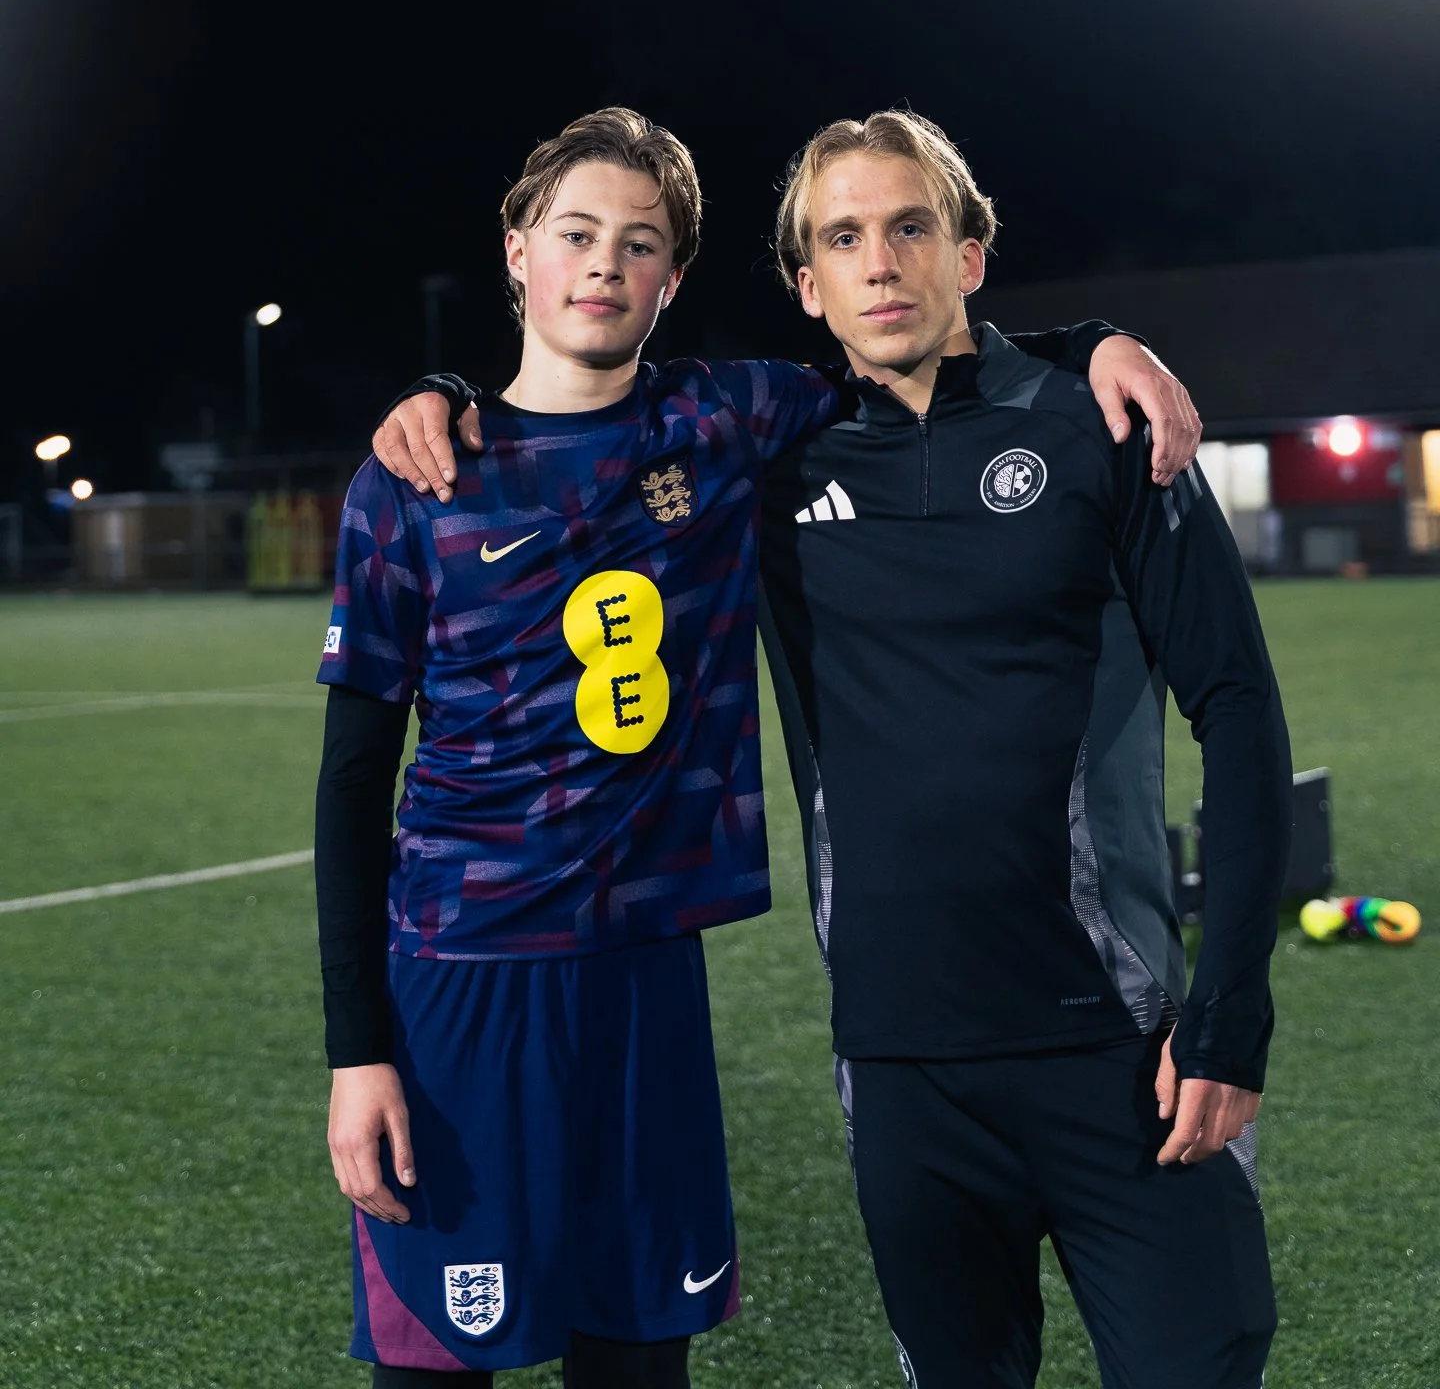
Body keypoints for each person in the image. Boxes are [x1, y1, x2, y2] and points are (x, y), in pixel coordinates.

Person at [368, 109, 1222, 1389]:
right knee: (444, 1346)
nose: (605, 264)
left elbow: (926, 351)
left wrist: (1098, 343)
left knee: (638, 1338)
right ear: (517, 251)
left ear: (671, 276)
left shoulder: (724, 422)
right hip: (459, 962)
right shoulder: (432, 468)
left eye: (640, 243)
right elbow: (349, 778)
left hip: (649, 962)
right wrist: (439, 389)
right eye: (577, 235)